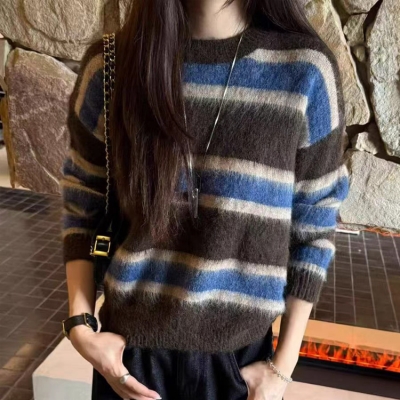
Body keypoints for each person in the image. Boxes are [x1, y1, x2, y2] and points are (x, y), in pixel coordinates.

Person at [61, 0, 349, 399]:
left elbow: (314, 224)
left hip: (239, 367)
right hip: (131, 360)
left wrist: (282, 367)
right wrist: (80, 324)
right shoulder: (112, 67)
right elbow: (83, 203)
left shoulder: (306, 72)